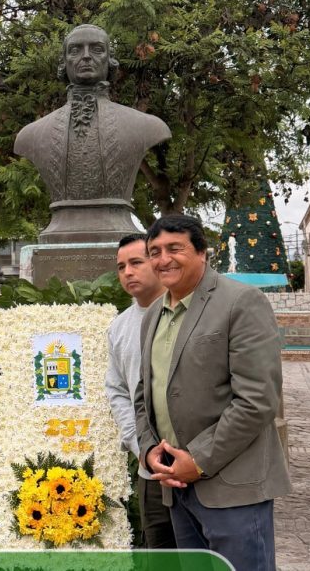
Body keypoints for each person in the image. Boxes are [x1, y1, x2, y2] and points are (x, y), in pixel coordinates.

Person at [135, 215, 290, 570]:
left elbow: (257, 400)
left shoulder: (242, 302)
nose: (163, 259)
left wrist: (199, 460)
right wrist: (148, 449)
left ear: (202, 252)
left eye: (175, 248)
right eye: (154, 251)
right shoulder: (153, 315)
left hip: (233, 490)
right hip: (176, 487)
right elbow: (144, 393)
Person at [14, 24, 170, 241]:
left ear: (109, 60)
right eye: (75, 50)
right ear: (64, 61)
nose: (86, 56)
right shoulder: (32, 135)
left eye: (96, 49)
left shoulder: (147, 126)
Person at [104, 234, 175, 549]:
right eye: (121, 267)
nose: (128, 272)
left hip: (198, 466)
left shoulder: (185, 314)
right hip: (151, 469)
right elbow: (117, 390)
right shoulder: (119, 327)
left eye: (136, 262)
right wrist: (141, 448)